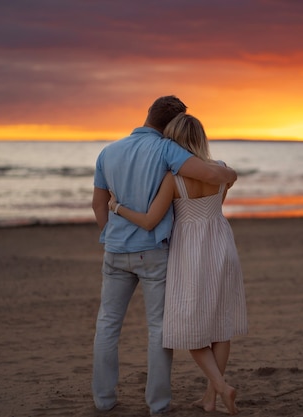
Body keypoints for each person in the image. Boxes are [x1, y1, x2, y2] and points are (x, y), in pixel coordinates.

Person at [91, 96, 237, 415]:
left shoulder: (108, 151)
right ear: (172, 124)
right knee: (158, 328)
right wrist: (230, 174)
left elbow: (98, 204)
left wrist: (109, 236)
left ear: (148, 114)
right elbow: (212, 175)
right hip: (152, 252)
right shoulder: (167, 149)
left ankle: (103, 400)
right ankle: (157, 404)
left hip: (115, 250)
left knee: (107, 324)